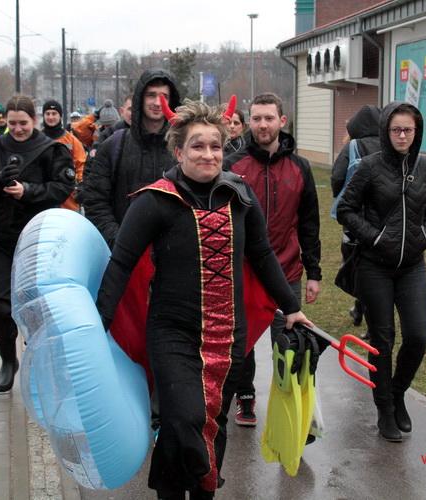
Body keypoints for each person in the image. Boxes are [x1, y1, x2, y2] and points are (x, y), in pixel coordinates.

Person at [96, 100, 311, 499]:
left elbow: (262, 256)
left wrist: (292, 307)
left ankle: (201, 492)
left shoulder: (239, 195)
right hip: (172, 333)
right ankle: (179, 487)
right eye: (198, 146)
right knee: (185, 418)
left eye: (215, 146)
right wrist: (98, 326)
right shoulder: (154, 201)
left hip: (228, 335)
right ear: (179, 152)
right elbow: (121, 265)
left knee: (215, 420)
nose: (208, 154)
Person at [337, 101, 426, 442]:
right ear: (385, 131)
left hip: (412, 266)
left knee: (418, 336)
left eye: (408, 130)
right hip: (375, 267)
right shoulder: (369, 166)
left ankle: (397, 393)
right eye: (396, 130)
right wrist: (376, 237)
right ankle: (384, 409)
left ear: (417, 132)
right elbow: (346, 209)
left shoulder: (425, 166)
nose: (402, 136)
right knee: (382, 340)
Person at [225, 93, 322, 427]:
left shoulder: (300, 167)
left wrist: (314, 272)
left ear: (282, 120)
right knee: (243, 341)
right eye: (256, 118)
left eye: (269, 118)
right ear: (248, 122)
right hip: (244, 272)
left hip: (287, 270)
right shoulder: (232, 166)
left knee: (288, 342)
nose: (262, 125)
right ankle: (245, 397)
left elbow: (309, 223)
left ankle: (288, 405)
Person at [0, 95, 74, 393]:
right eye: (12, 123)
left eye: (23, 123)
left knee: (38, 307)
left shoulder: (52, 149)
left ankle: (40, 360)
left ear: (35, 121)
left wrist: (28, 191)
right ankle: (8, 358)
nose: (17, 129)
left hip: (37, 239)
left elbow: (63, 187)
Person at [83, 68, 180, 248]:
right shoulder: (114, 145)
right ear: (140, 98)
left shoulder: (183, 148)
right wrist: (119, 242)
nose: (157, 102)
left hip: (172, 254)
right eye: (151, 95)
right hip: (122, 252)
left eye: (164, 96)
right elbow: (95, 201)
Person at [331, 105, 381, 332]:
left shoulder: (353, 146)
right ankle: (360, 309)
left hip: (354, 218)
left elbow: (337, 176)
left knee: (355, 264)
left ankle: (366, 314)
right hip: (383, 218)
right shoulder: (389, 146)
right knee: (375, 267)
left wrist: (342, 197)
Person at [41, 99, 86, 210]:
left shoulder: (72, 140)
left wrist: (81, 184)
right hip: (42, 194)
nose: (51, 117)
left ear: (60, 116)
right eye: (47, 113)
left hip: (68, 197)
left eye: (54, 113)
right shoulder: (37, 139)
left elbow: (81, 164)